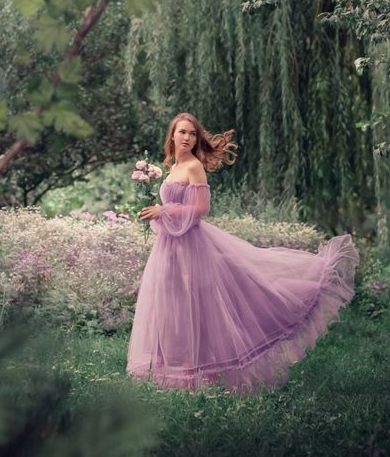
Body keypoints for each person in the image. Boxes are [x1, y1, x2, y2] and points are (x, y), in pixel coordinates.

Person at [127, 112, 360, 395]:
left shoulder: (194, 167)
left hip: (192, 248)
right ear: (172, 136)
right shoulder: (172, 168)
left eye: (191, 133)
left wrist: (163, 210)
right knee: (171, 304)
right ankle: (174, 372)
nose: (186, 137)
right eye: (182, 132)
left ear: (196, 138)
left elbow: (200, 210)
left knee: (200, 305)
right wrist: (154, 212)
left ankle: (201, 373)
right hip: (169, 247)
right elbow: (176, 206)